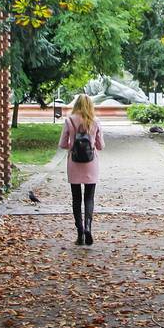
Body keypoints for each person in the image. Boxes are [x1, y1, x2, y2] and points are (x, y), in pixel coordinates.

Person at [58, 94, 105, 245]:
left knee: (76, 198)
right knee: (89, 198)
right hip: (91, 163)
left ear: (76, 104)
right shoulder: (95, 121)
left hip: (74, 162)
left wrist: (72, 145)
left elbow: (63, 144)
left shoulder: (69, 120)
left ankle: (80, 233)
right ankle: (88, 228)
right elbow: (100, 146)